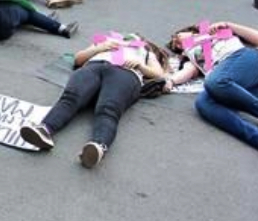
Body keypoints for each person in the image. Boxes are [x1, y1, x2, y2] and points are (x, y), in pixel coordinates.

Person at [165, 21, 258, 173]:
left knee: (214, 82)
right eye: (174, 44)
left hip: (250, 61)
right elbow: (187, 72)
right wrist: (171, 81)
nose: (175, 40)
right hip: (236, 88)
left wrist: (229, 25)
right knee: (203, 102)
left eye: (176, 35)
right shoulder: (191, 56)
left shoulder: (211, 31)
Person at [19, 33, 167, 167]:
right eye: (126, 35)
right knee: (70, 99)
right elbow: (78, 59)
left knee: (108, 109)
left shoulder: (146, 52)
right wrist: (100, 48)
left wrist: (141, 65)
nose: (129, 37)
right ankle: (44, 129)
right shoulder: (106, 41)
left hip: (125, 74)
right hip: (94, 67)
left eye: (135, 37)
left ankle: (98, 146)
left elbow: (159, 75)